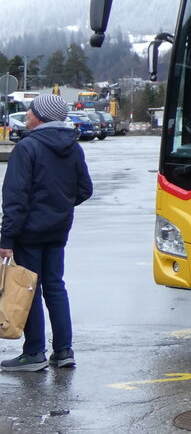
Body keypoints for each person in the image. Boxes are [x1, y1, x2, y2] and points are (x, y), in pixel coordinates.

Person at [0, 93, 93, 372]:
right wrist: (60, 206)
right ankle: (64, 351)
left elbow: (15, 197)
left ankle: (34, 353)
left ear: (41, 117)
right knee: (55, 286)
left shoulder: (27, 147)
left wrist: (6, 238)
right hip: (58, 230)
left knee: (29, 287)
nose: (27, 116)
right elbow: (84, 190)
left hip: (29, 232)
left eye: (30, 112)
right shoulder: (73, 147)